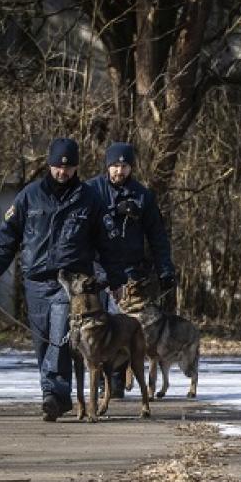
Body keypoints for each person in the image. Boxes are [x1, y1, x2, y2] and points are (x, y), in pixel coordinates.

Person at [0, 138, 104, 421]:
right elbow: (8, 237)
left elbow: (105, 242)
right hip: (36, 280)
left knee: (60, 337)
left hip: (70, 282)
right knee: (42, 341)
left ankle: (54, 394)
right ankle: (54, 398)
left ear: (76, 167)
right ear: (49, 165)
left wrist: (111, 276)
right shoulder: (29, 196)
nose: (63, 173)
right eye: (57, 167)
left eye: (69, 168)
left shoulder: (89, 199)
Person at [87, 141, 176, 397]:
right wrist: (114, 212)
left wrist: (165, 269)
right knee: (97, 327)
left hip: (129, 273)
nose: (119, 171)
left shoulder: (143, 196)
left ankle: (116, 379)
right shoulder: (91, 191)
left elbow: (157, 236)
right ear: (107, 166)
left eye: (125, 165)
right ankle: (100, 378)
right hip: (97, 269)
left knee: (123, 328)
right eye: (115, 165)